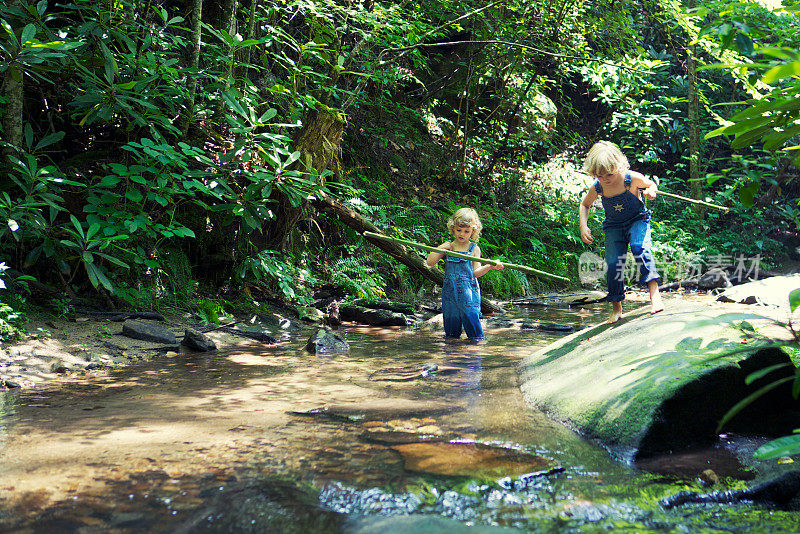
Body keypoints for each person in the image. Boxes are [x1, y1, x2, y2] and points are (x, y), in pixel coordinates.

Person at [578, 141, 664, 323]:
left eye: (609, 174)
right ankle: (616, 307)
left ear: (618, 166)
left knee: (639, 248)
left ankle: (655, 295)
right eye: (600, 176)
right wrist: (583, 226)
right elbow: (585, 205)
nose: (605, 179)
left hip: (637, 220)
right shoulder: (598, 187)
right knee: (613, 262)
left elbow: (651, 185)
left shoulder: (631, 178)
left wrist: (650, 192)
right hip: (614, 226)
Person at [426, 207, 504, 341]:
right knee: (451, 325)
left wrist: (489, 266)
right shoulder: (449, 246)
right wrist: (440, 248)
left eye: (466, 231)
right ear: (453, 228)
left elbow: (476, 273)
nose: (462, 234)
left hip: (468, 293)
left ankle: (475, 353)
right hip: (450, 292)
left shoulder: (474, 249)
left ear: (473, 231)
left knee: (472, 321)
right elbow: (430, 262)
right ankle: (452, 352)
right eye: (458, 230)